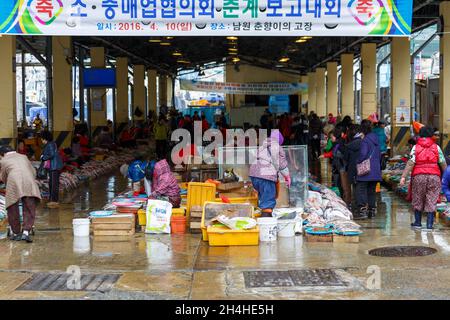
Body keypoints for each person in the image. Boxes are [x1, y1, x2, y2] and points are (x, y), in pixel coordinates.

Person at [400, 126, 447, 230]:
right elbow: (443, 163)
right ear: (431, 135)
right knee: (432, 199)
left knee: (418, 197)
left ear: (420, 135)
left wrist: (403, 177)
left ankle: (417, 223)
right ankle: (429, 225)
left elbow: (411, 163)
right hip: (434, 176)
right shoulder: (436, 147)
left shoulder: (415, 147)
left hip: (419, 176)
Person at [0, 145, 41, 243]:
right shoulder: (24, 157)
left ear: (2, 154)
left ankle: (16, 232)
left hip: (14, 182)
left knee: (12, 207)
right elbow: (33, 171)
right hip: (29, 182)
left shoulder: (3, 160)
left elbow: (3, 177)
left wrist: (7, 184)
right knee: (29, 206)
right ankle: (26, 232)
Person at [249, 130, 291, 218]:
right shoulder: (278, 148)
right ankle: (266, 226)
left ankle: (263, 219)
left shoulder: (262, 146)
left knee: (264, 198)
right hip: (266, 176)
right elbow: (282, 164)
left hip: (254, 175)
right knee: (268, 202)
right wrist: (287, 176)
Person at [355, 120, 382, 219]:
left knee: (361, 189)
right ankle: (372, 210)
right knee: (371, 190)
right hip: (375, 170)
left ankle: (363, 210)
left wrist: (358, 161)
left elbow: (363, 154)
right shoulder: (376, 139)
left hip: (366, 171)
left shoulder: (365, 140)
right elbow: (379, 154)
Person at [41, 131, 63, 208]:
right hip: (53, 166)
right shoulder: (51, 144)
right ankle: (53, 200)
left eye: (42, 139)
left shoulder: (50, 144)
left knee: (53, 184)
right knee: (53, 183)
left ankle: (53, 201)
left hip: (54, 166)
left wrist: (43, 157)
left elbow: (51, 154)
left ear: (45, 138)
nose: (41, 141)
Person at [344, 124, 362, 212]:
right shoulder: (364, 142)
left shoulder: (349, 145)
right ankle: (362, 206)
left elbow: (346, 158)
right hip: (363, 168)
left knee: (355, 188)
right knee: (361, 187)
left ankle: (356, 206)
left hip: (352, 169)